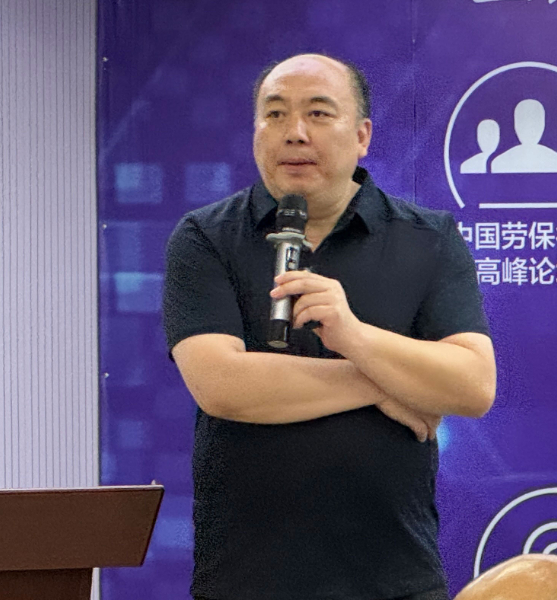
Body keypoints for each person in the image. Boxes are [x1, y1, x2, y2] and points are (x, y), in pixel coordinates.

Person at [163, 53, 496, 600]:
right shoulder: (205, 237)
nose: (294, 133)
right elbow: (222, 385)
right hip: (247, 578)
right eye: (274, 114)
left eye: (318, 113)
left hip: (394, 577)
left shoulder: (427, 238)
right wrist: (385, 383)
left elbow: (473, 385)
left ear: (362, 135)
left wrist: (355, 337)